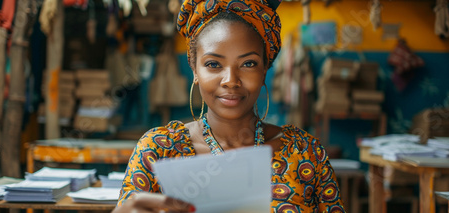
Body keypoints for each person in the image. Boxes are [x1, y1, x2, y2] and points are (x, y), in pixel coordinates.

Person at [114, 0, 345, 212]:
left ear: (265, 69)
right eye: (214, 64)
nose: (231, 80)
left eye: (248, 63)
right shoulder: (158, 151)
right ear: (195, 70)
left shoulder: (305, 151)